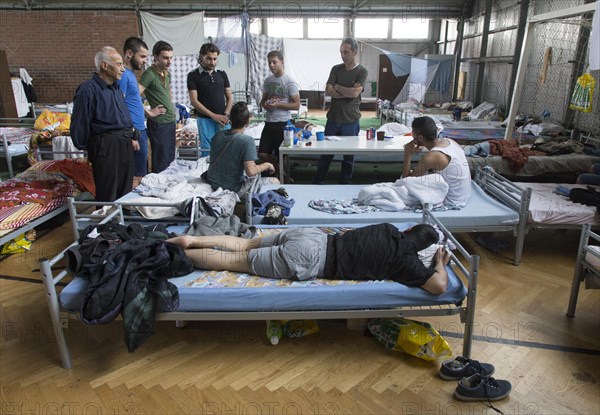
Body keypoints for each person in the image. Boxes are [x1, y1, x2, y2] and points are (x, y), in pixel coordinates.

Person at [166, 223, 450, 295]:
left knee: (246, 243)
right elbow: (438, 287)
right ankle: (188, 253)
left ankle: (191, 240)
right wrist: (439, 262)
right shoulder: (407, 265)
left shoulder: (388, 229)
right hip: (312, 260)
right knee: (235, 262)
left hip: (312, 236)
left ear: (409, 230)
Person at [71, 46, 135, 202]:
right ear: (105, 65)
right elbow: (80, 123)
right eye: (119, 64)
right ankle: (107, 225)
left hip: (124, 143)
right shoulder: (88, 90)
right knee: (108, 191)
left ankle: (122, 224)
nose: (122, 69)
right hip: (105, 146)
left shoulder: (116, 88)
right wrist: (90, 148)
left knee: (125, 190)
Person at [313, 38, 368, 185]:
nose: (343, 55)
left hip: (350, 121)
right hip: (333, 119)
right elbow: (328, 89)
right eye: (341, 52)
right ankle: (319, 181)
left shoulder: (362, 71)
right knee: (325, 155)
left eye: (346, 52)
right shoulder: (336, 69)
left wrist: (337, 87)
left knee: (348, 158)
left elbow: (355, 94)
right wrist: (347, 91)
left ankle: (345, 184)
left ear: (355, 52)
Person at [206, 101, 279, 198]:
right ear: (248, 122)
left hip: (213, 183)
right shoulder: (247, 141)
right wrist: (268, 164)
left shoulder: (218, 135)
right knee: (275, 182)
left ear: (230, 119)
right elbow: (251, 171)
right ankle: (251, 210)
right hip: (233, 188)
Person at [118, 37, 166, 185]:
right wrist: (131, 133)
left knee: (141, 172)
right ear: (129, 53)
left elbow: (133, 100)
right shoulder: (123, 76)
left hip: (139, 129)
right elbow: (119, 105)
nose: (145, 60)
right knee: (136, 175)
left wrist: (149, 112)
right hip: (134, 132)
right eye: (142, 56)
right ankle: (131, 206)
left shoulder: (131, 75)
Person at [402, 116, 471, 208]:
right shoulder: (449, 141)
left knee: (403, 188)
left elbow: (406, 180)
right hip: (463, 196)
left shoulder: (431, 157)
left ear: (420, 138)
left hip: (452, 202)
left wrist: (407, 154)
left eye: (412, 133)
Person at [258, 50, 300, 177]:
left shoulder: (289, 81)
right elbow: (263, 100)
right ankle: (280, 173)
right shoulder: (268, 81)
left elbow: (296, 105)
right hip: (269, 122)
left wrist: (277, 105)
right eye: (269, 62)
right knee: (262, 153)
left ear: (282, 62)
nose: (271, 65)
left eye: (274, 62)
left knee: (281, 154)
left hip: (282, 124)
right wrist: (264, 104)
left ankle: (283, 178)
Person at [187, 43, 234, 154]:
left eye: (215, 59)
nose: (212, 62)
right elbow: (194, 101)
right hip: (205, 120)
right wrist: (213, 116)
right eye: (209, 59)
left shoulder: (222, 74)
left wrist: (225, 115)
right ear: (201, 57)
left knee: (226, 150)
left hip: (223, 120)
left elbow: (230, 97)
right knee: (208, 152)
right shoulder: (193, 75)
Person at [139, 40, 176, 173]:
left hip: (170, 121)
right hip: (159, 124)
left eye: (171, 57)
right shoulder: (149, 74)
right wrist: (149, 112)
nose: (169, 61)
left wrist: (172, 110)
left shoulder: (167, 73)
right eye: (165, 58)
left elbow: (168, 92)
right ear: (155, 57)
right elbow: (133, 96)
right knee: (161, 161)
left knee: (170, 159)